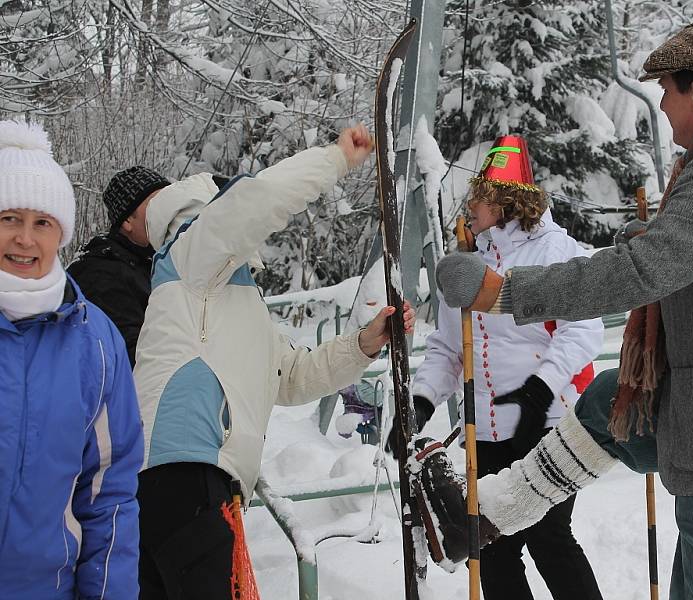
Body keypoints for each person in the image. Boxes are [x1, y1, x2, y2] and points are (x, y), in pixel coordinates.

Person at [420, 22, 693, 599]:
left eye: (668, 91)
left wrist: (503, 293)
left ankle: (487, 514)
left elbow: (638, 273)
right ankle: (488, 514)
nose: (664, 108)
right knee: (609, 403)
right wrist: (670, 237)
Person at [134, 123, 416, 599]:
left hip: (198, 486)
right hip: (184, 474)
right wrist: (336, 159)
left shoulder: (233, 303)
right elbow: (258, 201)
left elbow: (293, 375)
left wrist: (366, 343)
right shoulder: (189, 256)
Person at [392, 136, 604, 599]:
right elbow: (449, 349)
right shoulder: (467, 265)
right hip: (484, 431)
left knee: (549, 539)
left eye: (479, 197)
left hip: (543, 425)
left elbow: (583, 331)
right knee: (493, 549)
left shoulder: (556, 252)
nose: (468, 207)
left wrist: (540, 389)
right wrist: (422, 402)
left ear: (507, 202)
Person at [0, 119, 143, 598]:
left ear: (59, 233)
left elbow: (110, 495)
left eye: (41, 223)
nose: (24, 239)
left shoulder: (95, 342)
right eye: (8, 219)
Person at [69, 166, 171, 366]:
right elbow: (132, 357)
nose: (167, 213)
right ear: (126, 221)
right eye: (156, 205)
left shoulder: (151, 261)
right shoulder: (102, 274)